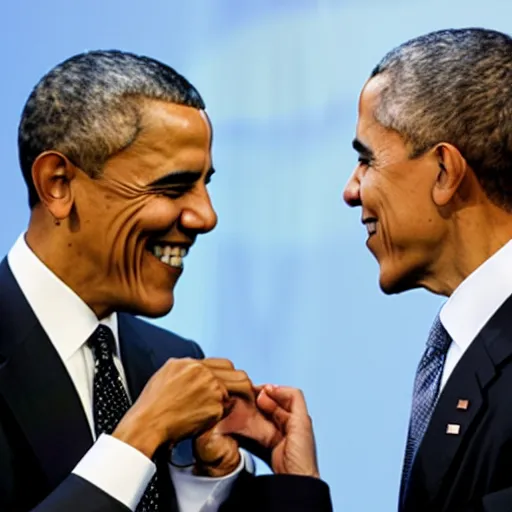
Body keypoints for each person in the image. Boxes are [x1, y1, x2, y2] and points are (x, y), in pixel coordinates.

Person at [0, 50, 331, 511]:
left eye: (205, 185)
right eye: (173, 188)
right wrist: (139, 436)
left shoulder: (173, 359)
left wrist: (262, 483)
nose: (206, 216)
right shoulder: (166, 394)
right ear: (58, 184)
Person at [243, 27, 512, 512]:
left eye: (366, 160)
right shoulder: (467, 342)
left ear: (446, 173)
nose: (351, 190)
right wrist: (299, 486)